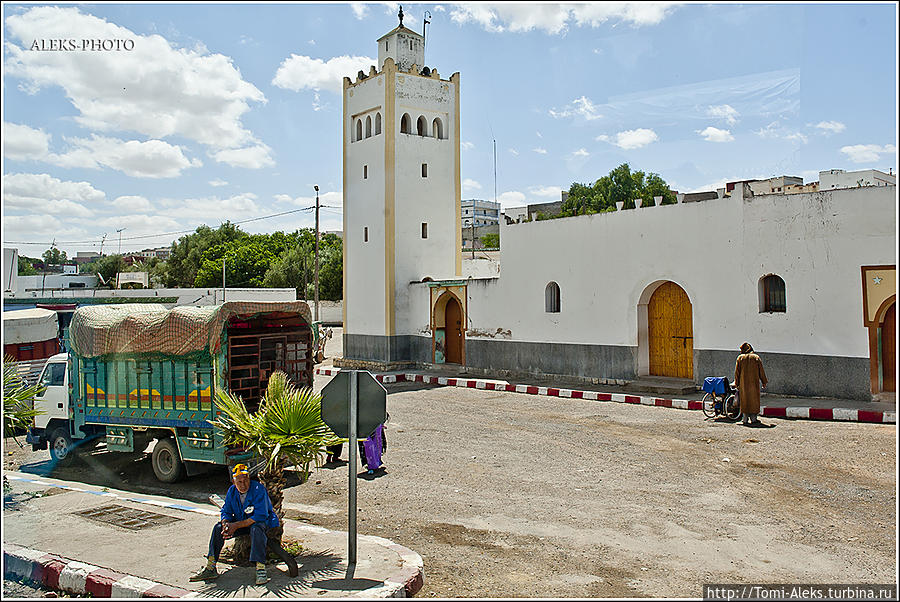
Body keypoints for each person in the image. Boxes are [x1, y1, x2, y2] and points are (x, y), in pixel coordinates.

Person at [190, 464, 279, 586]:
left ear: (249, 479)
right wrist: (226, 523)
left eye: (245, 480)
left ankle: (260, 568)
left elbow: (260, 516)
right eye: (240, 482)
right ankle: (211, 567)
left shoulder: (258, 489)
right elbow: (226, 511)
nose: (243, 485)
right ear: (234, 482)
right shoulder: (232, 491)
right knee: (218, 528)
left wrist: (235, 525)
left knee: (257, 528)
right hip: (241, 522)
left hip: (261, 523)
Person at [734, 342, 768, 426]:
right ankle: (754, 419)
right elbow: (761, 371)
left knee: (745, 400)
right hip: (754, 384)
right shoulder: (756, 357)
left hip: (743, 384)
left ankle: (744, 419)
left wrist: (736, 383)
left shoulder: (740, 358)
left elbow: (737, 372)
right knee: (754, 400)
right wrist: (764, 381)